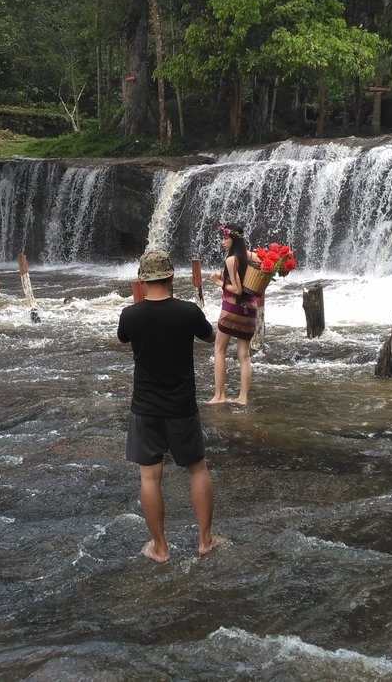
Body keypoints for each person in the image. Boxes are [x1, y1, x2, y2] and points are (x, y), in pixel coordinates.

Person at [116, 248, 221, 563]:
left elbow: (123, 338)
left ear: (141, 280)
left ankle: (160, 547)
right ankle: (205, 540)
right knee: (197, 469)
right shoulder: (187, 312)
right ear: (172, 277)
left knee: (149, 476)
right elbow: (209, 336)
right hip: (182, 406)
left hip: (145, 406)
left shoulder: (130, 315)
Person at [209, 222, 260, 404]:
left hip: (232, 308)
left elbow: (236, 290)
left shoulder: (231, 260)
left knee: (219, 349)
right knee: (244, 354)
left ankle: (219, 396)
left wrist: (217, 281)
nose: (222, 242)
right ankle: (243, 398)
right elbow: (266, 260)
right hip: (250, 309)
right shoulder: (249, 256)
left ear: (234, 240)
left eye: (225, 238)